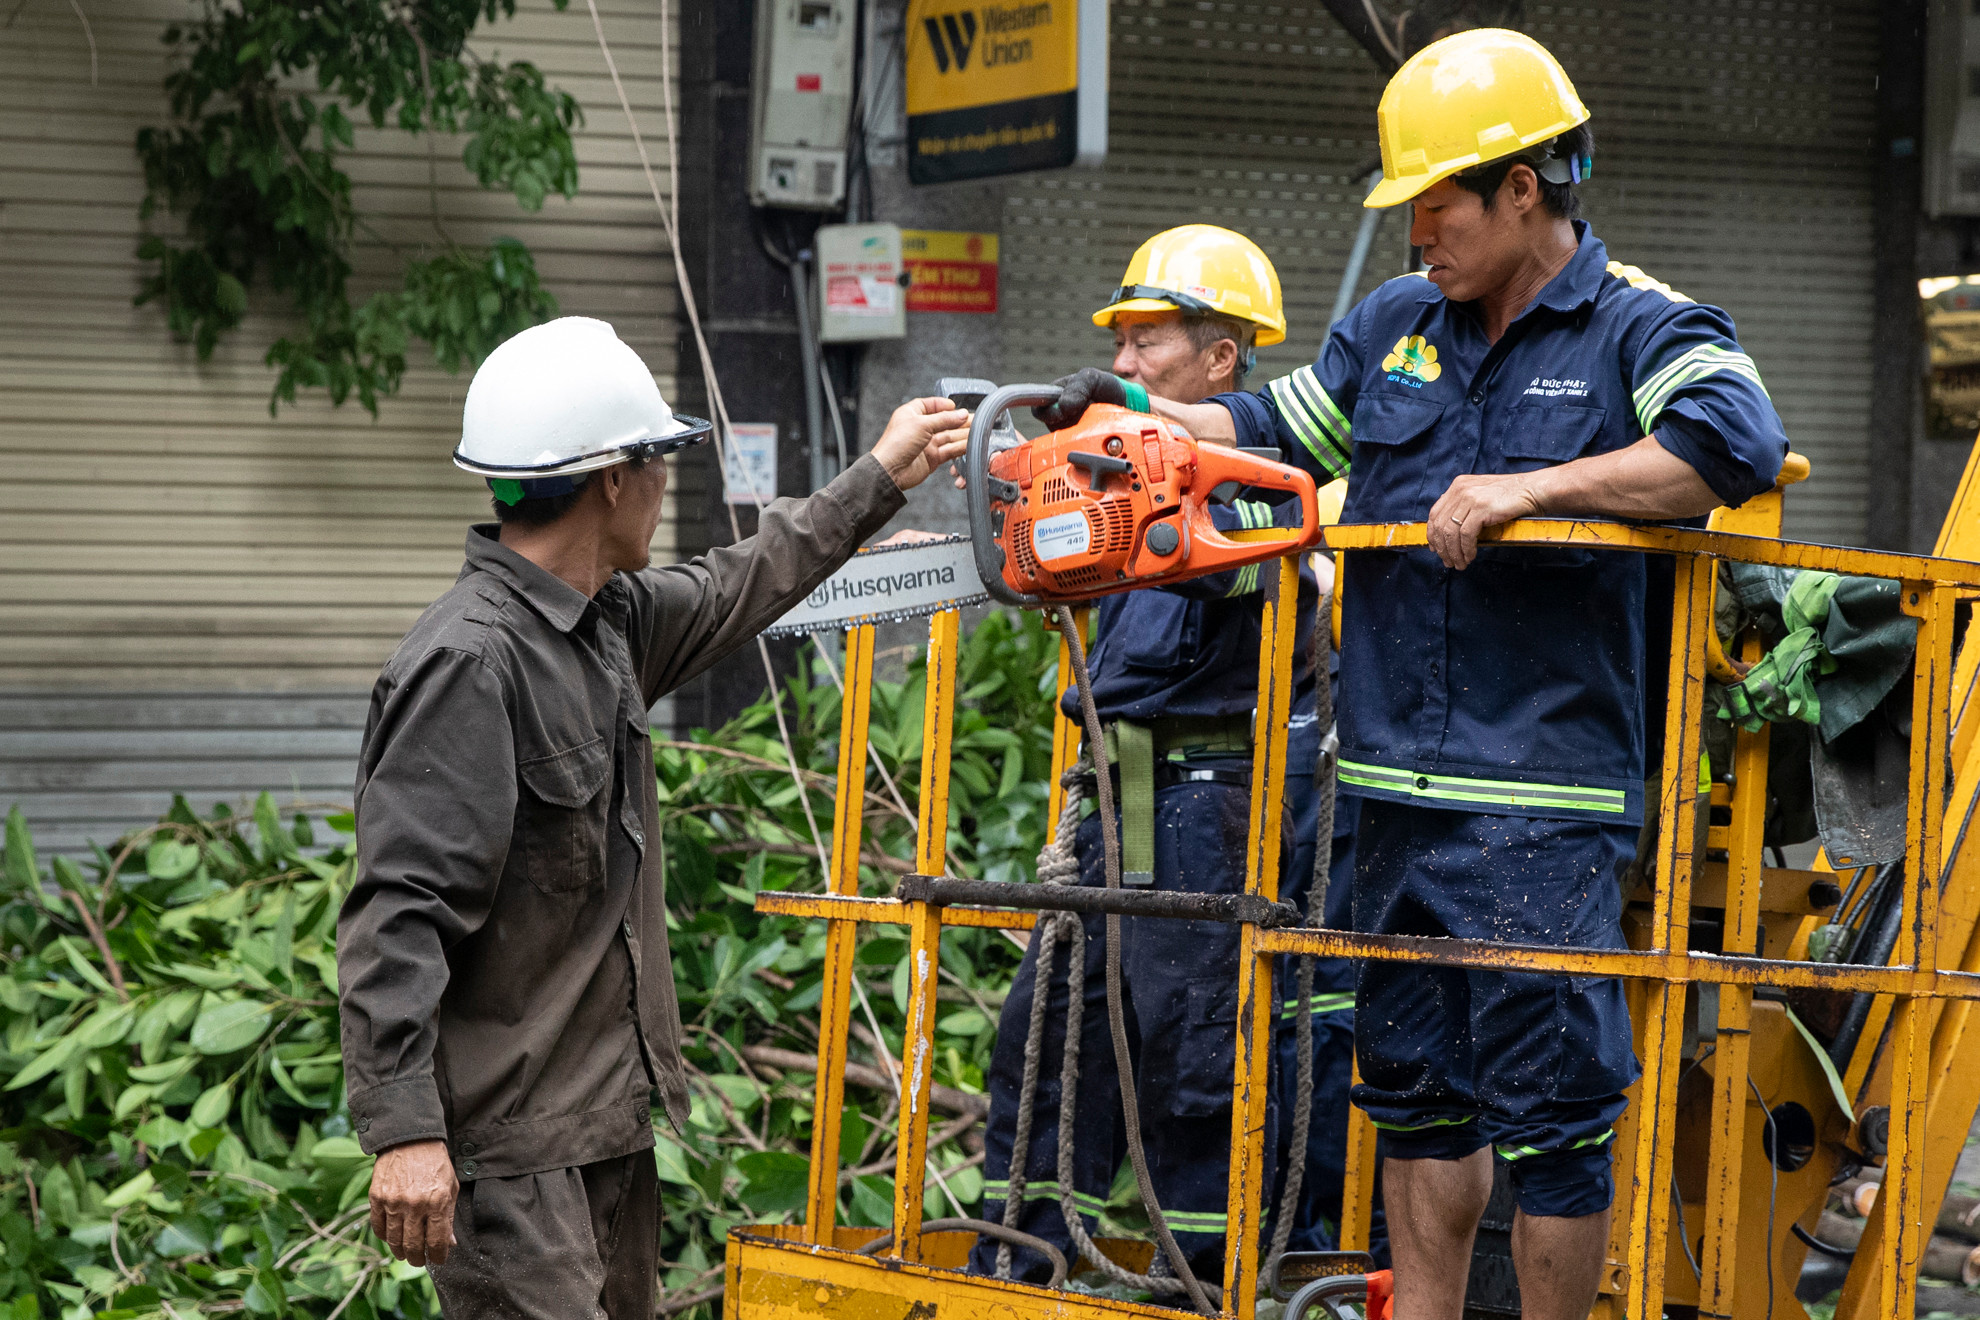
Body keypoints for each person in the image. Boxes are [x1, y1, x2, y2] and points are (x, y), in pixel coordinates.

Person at [1036, 29, 1789, 1319]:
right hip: (1389, 791)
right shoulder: (1395, 329)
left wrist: (1530, 488)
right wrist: (1137, 419)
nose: (1415, 232)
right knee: (1415, 1095)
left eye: (1435, 202)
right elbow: (1273, 430)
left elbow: (1735, 444)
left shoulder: (1637, 327)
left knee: (1554, 1117)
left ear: (1524, 187)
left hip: (1539, 803)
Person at [334, 316, 968, 1318]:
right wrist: (405, 1133)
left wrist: (879, 477)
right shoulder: (470, 662)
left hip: (606, 1136)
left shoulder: (610, 626)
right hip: (510, 1157)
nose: (669, 488)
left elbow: (745, 579)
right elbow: (398, 912)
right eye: (660, 464)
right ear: (615, 479)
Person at [966, 225, 1351, 1286]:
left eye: (1147, 342)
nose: (1126, 366)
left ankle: (1203, 1282)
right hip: (1114, 809)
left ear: (1221, 356)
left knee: (1194, 1067)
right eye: (1121, 344)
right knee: (1043, 1051)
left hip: (1206, 809)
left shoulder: (1256, 485)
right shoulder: (1122, 479)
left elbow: (1242, 580)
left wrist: (1125, 506)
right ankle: (1031, 1260)